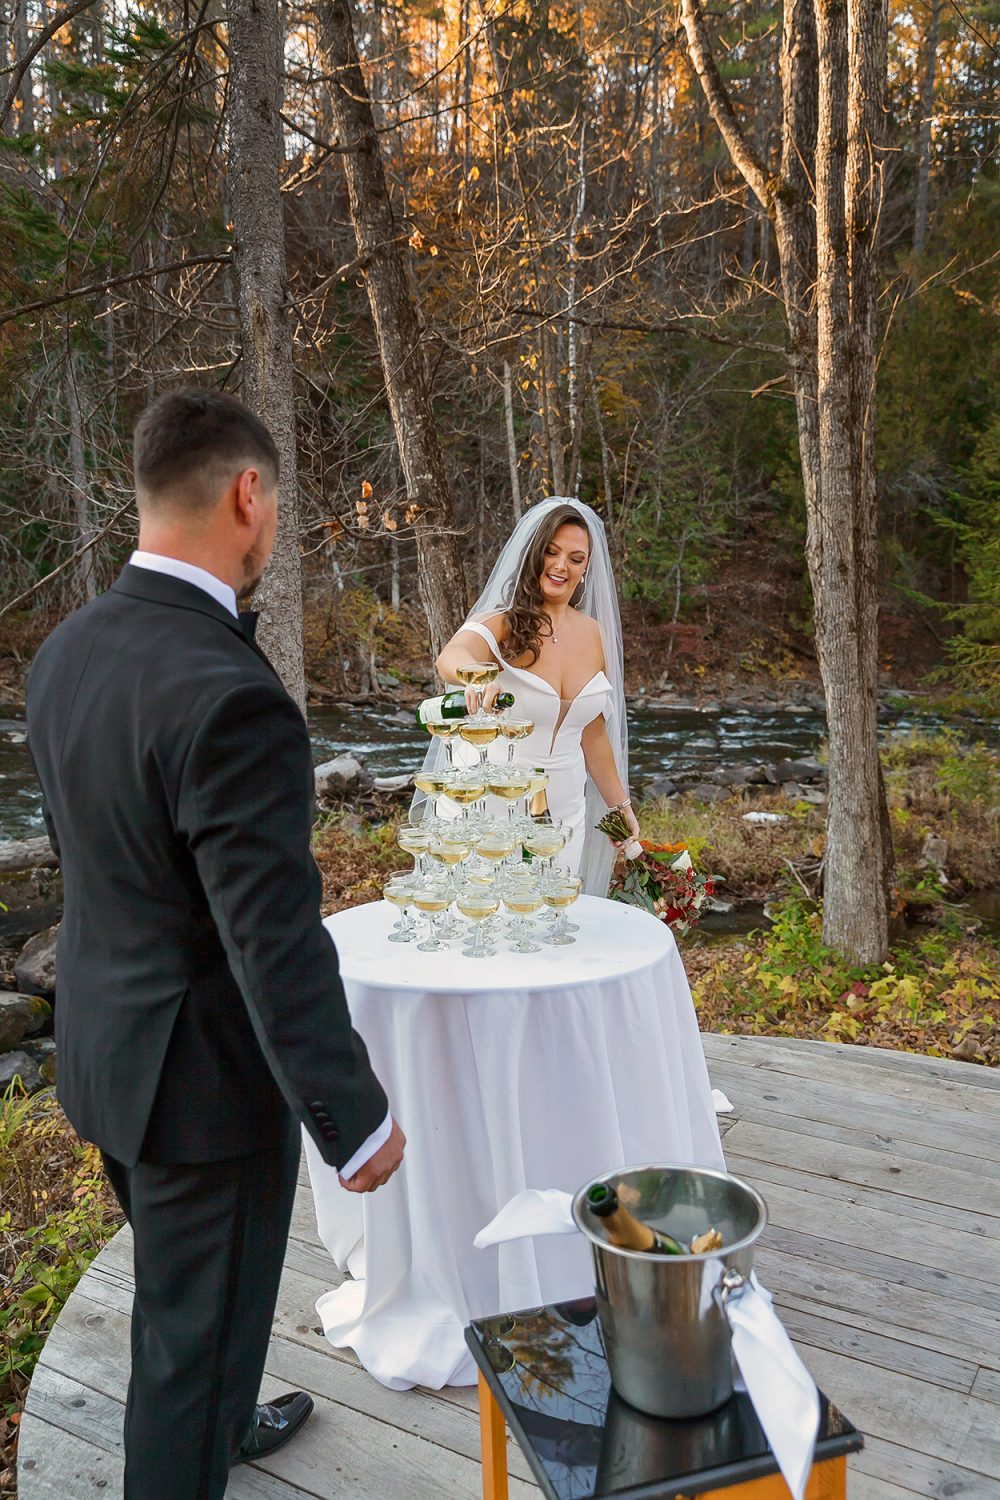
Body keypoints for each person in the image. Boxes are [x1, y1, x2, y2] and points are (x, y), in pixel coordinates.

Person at [26, 389, 405, 1500]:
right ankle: (196, 1442)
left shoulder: (66, 651)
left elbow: (99, 868)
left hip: (105, 1050)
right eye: (275, 504)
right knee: (188, 1352)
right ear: (249, 496)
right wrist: (352, 1116)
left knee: (193, 1303)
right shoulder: (230, 694)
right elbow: (269, 935)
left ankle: (226, 1417)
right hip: (201, 1094)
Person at [425, 497, 640, 895]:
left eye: (576, 558)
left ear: (586, 567)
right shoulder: (502, 622)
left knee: (549, 925)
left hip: (564, 808)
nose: (561, 566)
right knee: (489, 923)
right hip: (492, 803)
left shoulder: (595, 634)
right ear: (535, 554)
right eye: (552, 552)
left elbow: (592, 734)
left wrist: (619, 806)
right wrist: (475, 678)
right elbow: (450, 657)